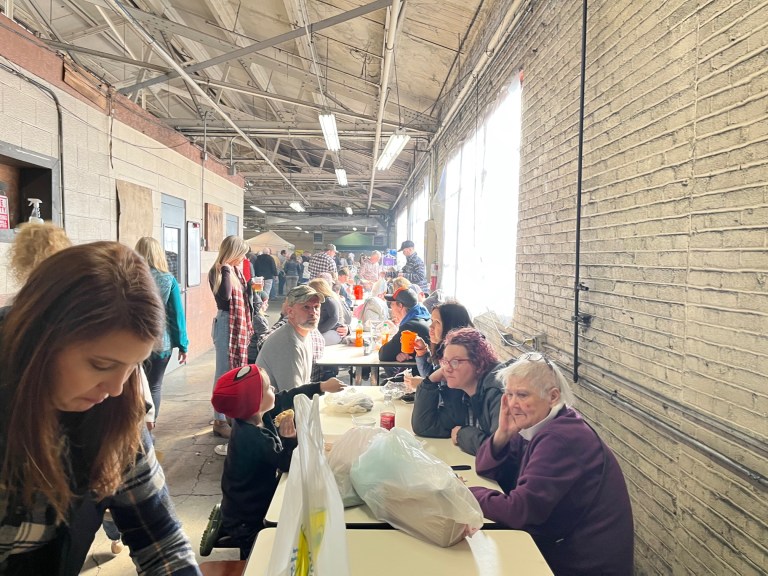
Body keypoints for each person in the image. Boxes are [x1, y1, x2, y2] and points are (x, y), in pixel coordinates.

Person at [0, 242, 199, 574]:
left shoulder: (116, 409)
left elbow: (160, 538)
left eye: (133, 367)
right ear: (41, 338)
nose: (116, 389)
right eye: (101, 364)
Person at [469, 353, 634, 575]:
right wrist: (502, 434)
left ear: (553, 396)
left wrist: (465, 492)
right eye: (509, 394)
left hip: (582, 563)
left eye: (522, 395)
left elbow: (520, 511)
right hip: (557, 544)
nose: (513, 404)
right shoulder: (537, 422)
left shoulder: (560, 438)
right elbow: (486, 468)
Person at [203, 363, 342, 559]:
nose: (274, 390)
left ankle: (228, 524)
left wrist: (320, 387)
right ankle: (238, 542)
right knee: (260, 555)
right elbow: (286, 463)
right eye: (268, 388)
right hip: (249, 517)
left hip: (243, 500)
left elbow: (286, 396)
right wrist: (289, 438)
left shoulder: (257, 415)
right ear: (254, 402)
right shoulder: (252, 437)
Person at [411, 327, 504, 455]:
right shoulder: (460, 392)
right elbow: (425, 427)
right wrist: (430, 381)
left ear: (478, 363)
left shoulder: (497, 393)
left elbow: (498, 452)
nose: (447, 369)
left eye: (455, 362)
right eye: (445, 361)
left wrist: (462, 434)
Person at [134, 237, 189, 425]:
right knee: (154, 386)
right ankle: (149, 426)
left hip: (133, 341)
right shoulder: (168, 279)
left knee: (134, 385)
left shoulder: (129, 277)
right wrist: (183, 344)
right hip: (160, 343)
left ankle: (133, 426)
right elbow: (176, 315)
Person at [255, 285, 343, 393]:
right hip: (274, 408)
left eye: (316, 307)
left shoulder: (307, 333)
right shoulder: (288, 343)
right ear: (290, 312)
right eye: (306, 307)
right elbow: (293, 396)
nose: (313, 312)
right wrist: (322, 387)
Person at [209, 236, 253, 439]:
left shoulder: (236, 271)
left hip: (237, 323)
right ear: (233, 252)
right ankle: (218, 420)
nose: (244, 257)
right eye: (242, 253)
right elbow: (225, 296)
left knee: (235, 371)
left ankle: (228, 414)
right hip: (226, 323)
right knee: (223, 373)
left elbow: (244, 296)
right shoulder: (219, 270)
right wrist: (226, 267)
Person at [409, 302, 474, 385]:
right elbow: (432, 375)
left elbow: (450, 394)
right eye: (432, 321)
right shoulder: (443, 349)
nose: (431, 326)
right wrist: (422, 352)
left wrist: (424, 384)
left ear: (451, 326)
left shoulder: (460, 356)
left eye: (437, 322)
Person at [378, 286, 430, 363]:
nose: (391, 308)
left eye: (392, 304)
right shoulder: (425, 316)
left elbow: (383, 354)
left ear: (400, 306)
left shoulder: (410, 326)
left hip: (418, 373)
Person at [308, 278, 344, 345]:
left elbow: (334, 318)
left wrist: (319, 330)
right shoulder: (319, 301)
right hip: (323, 330)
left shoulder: (329, 300)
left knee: (315, 342)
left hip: (333, 331)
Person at [246, 291, 271, 364]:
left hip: (250, 353)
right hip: (254, 355)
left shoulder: (252, 315)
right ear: (259, 304)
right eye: (265, 303)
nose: (267, 305)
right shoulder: (259, 319)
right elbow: (264, 338)